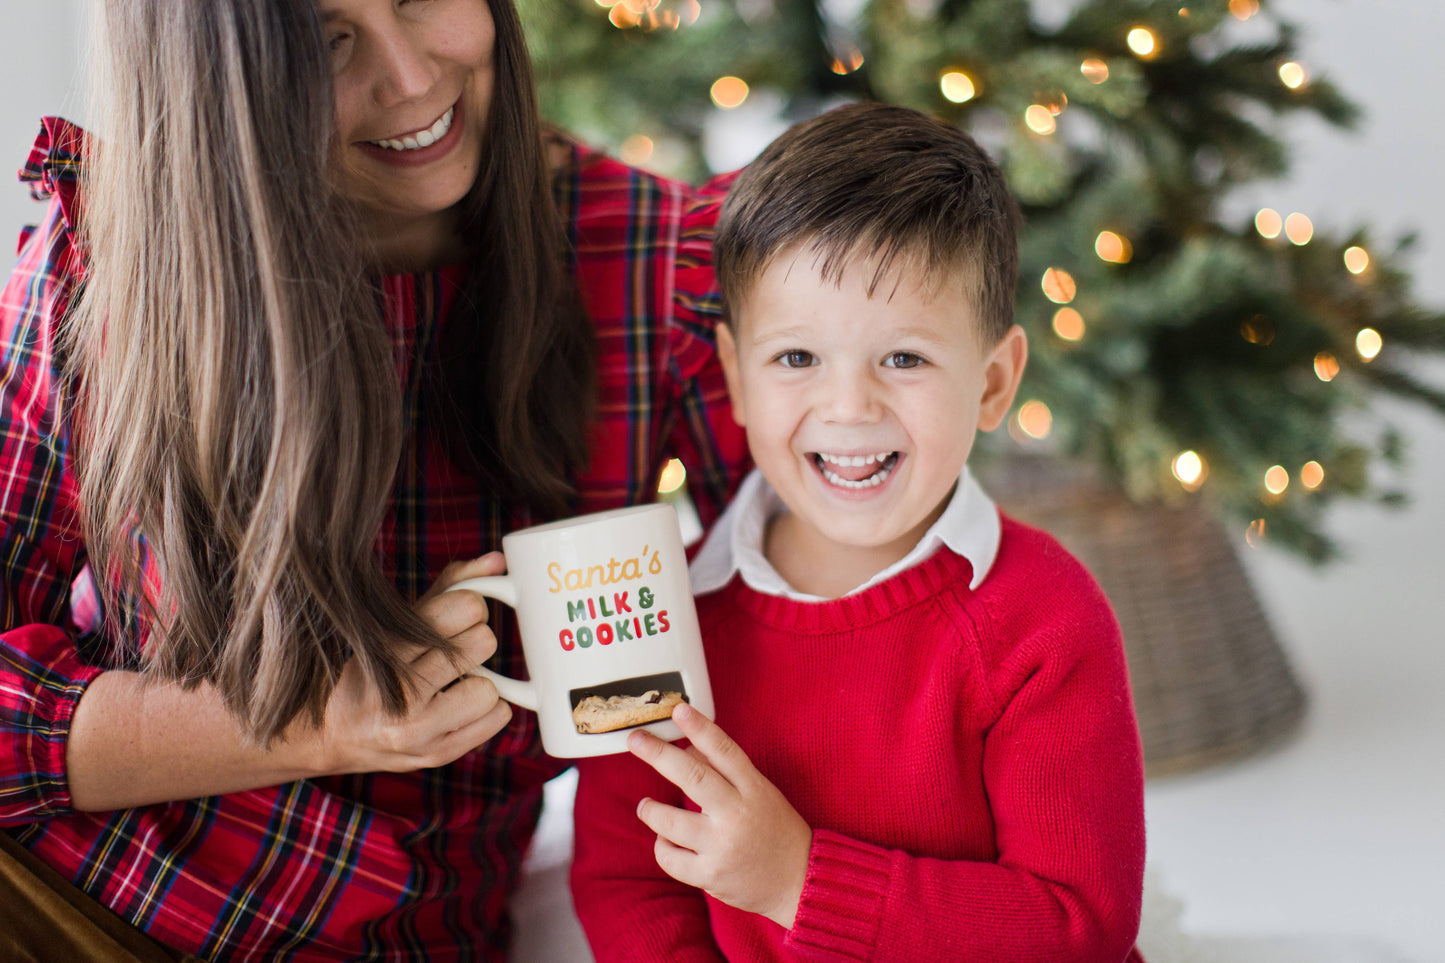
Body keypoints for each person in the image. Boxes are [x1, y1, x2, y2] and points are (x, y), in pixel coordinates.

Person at [0, 0, 747, 959]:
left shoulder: (653, 262)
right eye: (322, 42)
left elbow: (831, 624)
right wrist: (305, 724)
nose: (410, 79)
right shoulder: (105, 267)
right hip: (86, 912)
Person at [570, 101, 1148, 962]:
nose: (848, 407)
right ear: (734, 372)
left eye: (904, 358)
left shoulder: (1042, 618)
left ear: (993, 383)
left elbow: (1079, 924)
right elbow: (626, 879)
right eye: (796, 358)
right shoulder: (656, 614)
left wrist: (797, 881)